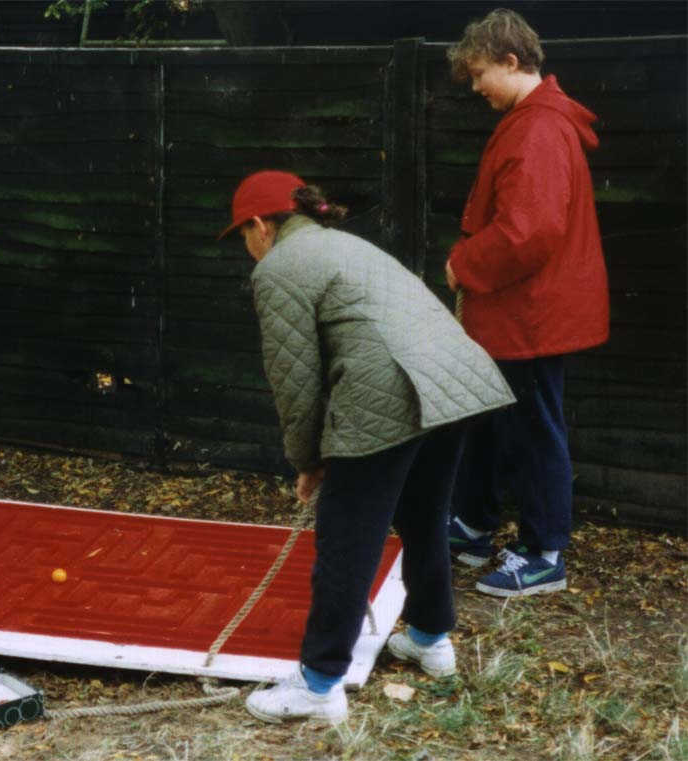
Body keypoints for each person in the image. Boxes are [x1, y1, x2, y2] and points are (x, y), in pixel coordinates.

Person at [222, 171, 515, 725]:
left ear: (260, 226)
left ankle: (318, 686)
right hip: (453, 381)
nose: (247, 248)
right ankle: (431, 638)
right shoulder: (345, 245)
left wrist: (308, 462)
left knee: (346, 537)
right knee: (424, 517)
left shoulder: (279, 268)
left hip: (390, 391)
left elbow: (295, 382)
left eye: (242, 235)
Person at [443, 9, 609, 597]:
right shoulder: (533, 120)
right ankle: (473, 526)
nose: (476, 86)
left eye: (481, 72)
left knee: (535, 428)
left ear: (512, 62)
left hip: (533, 313)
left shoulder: (537, 128)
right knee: (490, 418)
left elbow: (527, 232)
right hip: (520, 311)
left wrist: (464, 263)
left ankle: (544, 555)